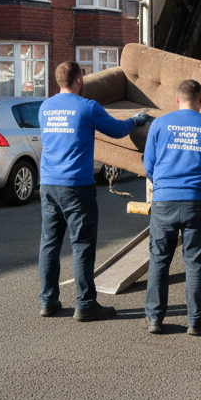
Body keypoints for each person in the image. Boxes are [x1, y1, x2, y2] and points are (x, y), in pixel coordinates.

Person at [38, 60, 151, 322]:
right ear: (79, 80)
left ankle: (48, 301)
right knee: (82, 245)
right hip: (76, 186)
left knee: (50, 244)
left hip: (48, 185)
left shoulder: (45, 107)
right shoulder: (87, 107)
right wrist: (137, 119)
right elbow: (117, 130)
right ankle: (85, 304)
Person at [141, 79, 201, 337]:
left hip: (163, 202)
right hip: (196, 202)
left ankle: (155, 319)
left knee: (159, 260)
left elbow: (149, 166)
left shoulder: (159, 124)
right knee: (195, 263)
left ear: (177, 99)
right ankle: (196, 321)